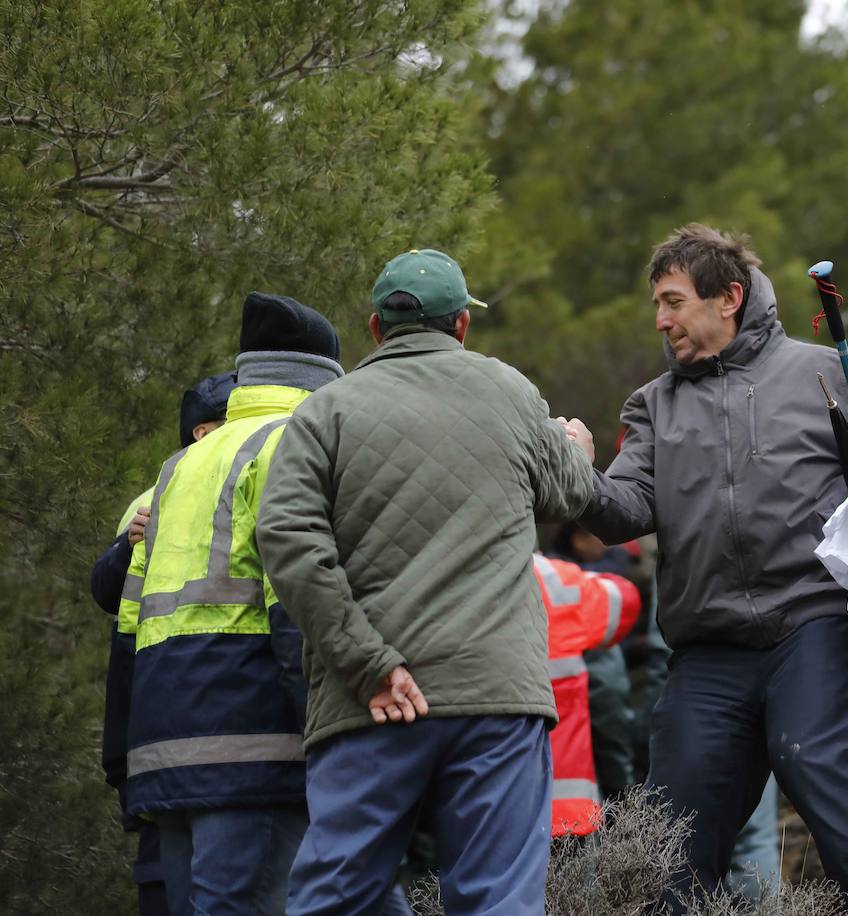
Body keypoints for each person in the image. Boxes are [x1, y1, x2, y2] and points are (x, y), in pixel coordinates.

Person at [578, 223, 848, 915]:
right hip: (706, 650)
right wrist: (570, 470)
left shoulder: (827, 371)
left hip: (814, 625)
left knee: (818, 772)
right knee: (664, 851)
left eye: (673, 300)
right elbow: (620, 511)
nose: (661, 319)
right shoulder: (653, 404)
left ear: (728, 298)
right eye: (657, 305)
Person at [257, 248, 596, 915]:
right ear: (461, 326)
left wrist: (369, 665)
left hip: (373, 703)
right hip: (496, 697)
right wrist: (578, 449)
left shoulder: (325, 413)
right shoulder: (513, 392)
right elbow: (572, 494)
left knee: (335, 901)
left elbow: (287, 540)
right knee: (498, 902)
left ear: (377, 328)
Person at [120, 295, 343, 914]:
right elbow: (296, 601)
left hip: (165, 744)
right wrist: (327, 731)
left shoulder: (179, 466)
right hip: (253, 745)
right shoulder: (290, 445)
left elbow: (129, 616)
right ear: (318, 381)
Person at [90, 371, 235, 916]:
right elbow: (104, 589)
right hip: (153, 732)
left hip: (201, 729)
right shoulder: (151, 499)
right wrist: (130, 546)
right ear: (202, 433)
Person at [534, 553, 642, 837]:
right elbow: (625, 600)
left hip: (477, 809)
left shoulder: (442, 578)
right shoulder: (552, 578)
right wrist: (621, 789)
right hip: (566, 811)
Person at [549, 523, 638, 801]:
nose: (606, 544)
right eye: (598, 536)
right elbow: (607, 695)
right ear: (577, 540)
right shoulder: (582, 597)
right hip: (573, 786)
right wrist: (622, 785)